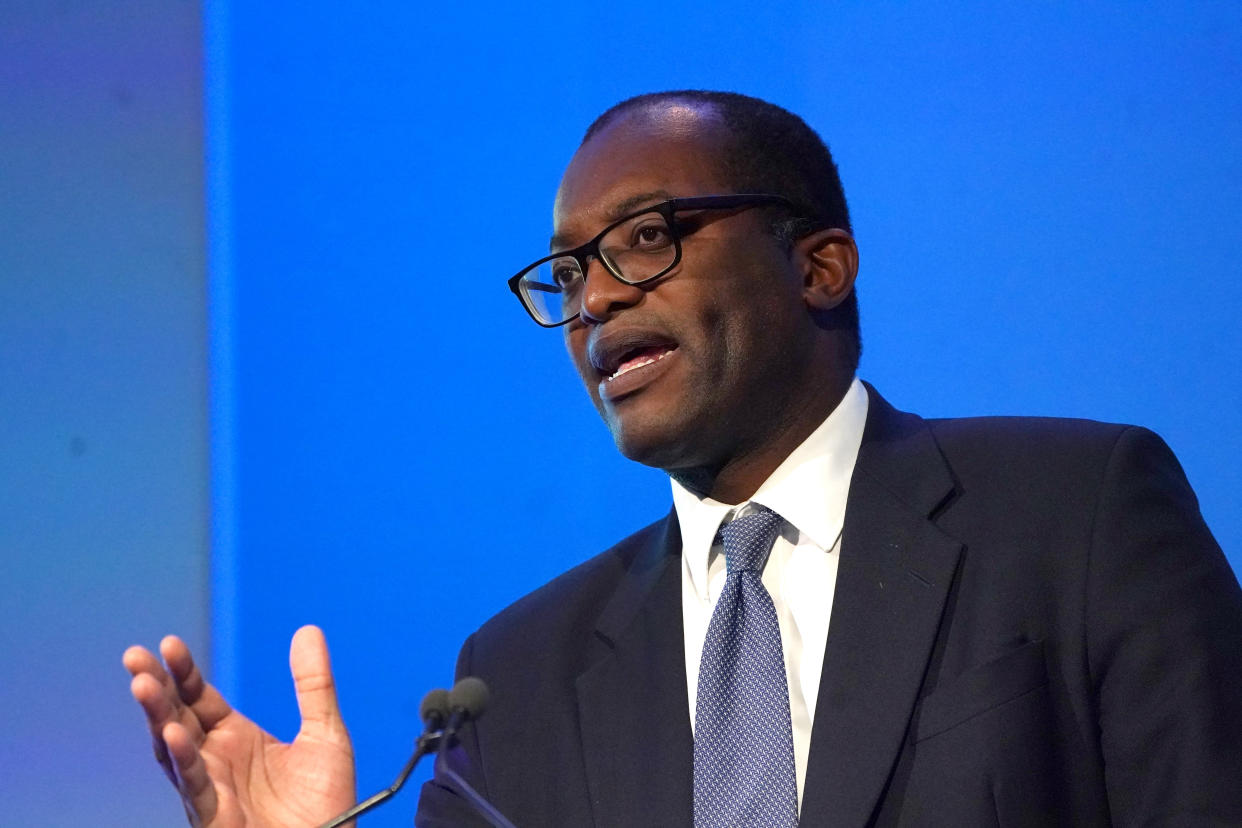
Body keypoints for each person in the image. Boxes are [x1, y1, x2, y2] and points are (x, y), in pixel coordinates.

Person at [126, 90, 1242, 827]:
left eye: (647, 238)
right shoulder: (515, 678)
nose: (597, 297)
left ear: (820, 266)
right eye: (566, 276)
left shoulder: (1077, 517)